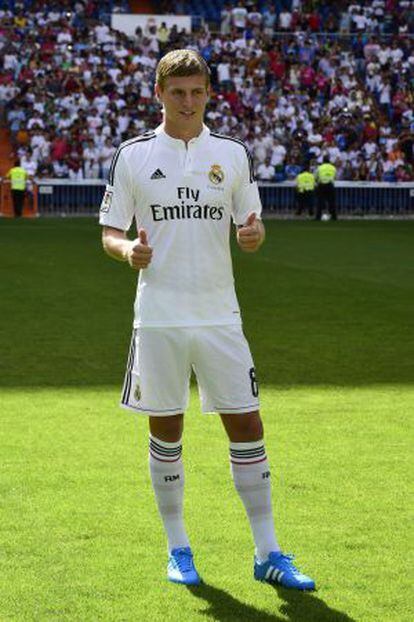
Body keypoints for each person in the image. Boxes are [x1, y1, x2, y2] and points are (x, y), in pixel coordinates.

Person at [99, 49, 315, 591]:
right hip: (161, 318)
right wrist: (128, 251)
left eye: (197, 92)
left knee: (248, 425)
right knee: (166, 429)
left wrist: (254, 235)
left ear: (208, 94)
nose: (188, 102)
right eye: (178, 93)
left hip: (221, 315)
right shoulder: (133, 155)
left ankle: (267, 552)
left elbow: (254, 223)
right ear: (159, 94)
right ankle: (179, 549)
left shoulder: (232, 153)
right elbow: (109, 232)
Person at [316, 156, 337, 220]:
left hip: (322, 185)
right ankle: (334, 216)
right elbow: (335, 177)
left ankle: (318, 217)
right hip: (330, 185)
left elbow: (316, 177)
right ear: (329, 160)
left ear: (323, 161)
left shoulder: (320, 167)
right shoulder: (333, 168)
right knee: (331, 202)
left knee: (320, 201)